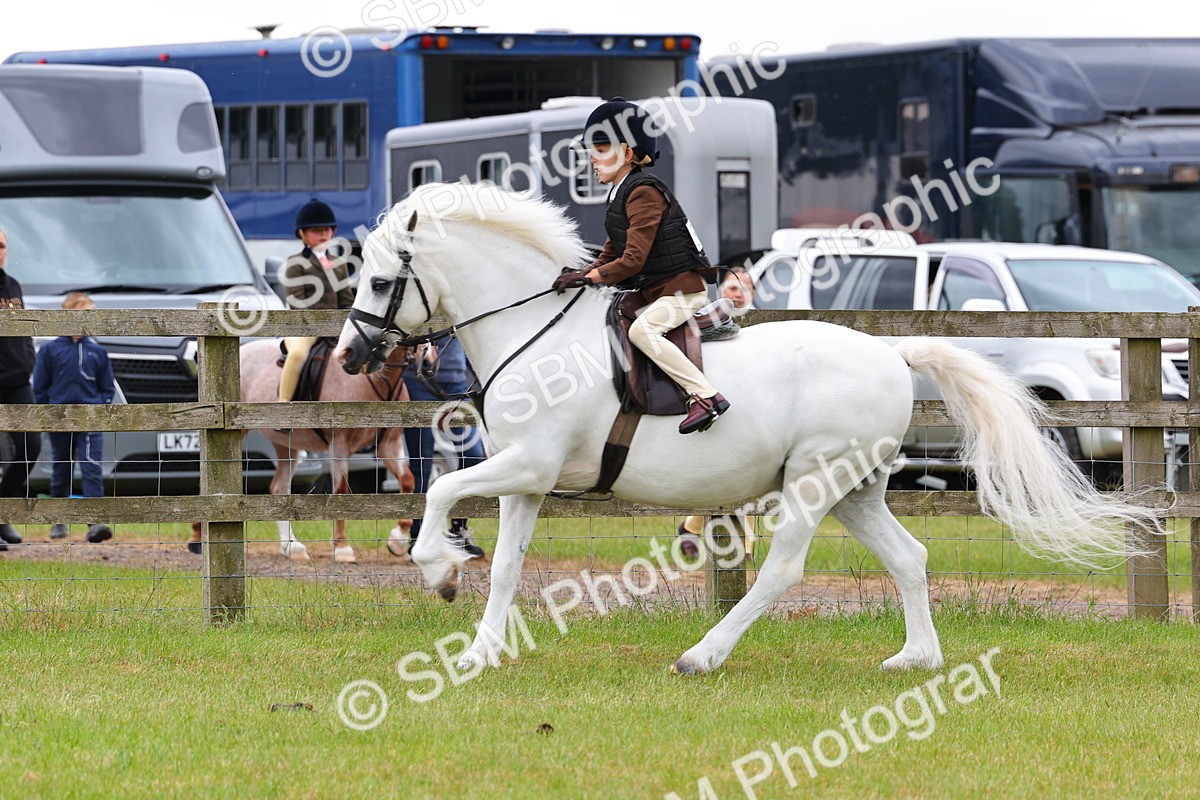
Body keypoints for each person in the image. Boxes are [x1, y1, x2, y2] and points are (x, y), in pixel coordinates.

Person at [552, 97, 729, 435]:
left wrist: (592, 277)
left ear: (627, 154)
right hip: (659, 291)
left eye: (600, 149)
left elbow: (633, 260)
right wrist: (581, 274)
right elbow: (612, 251)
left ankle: (705, 397)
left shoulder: (643, 192)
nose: (592, 157)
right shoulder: (621, 193)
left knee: (642, 332)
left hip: (681, 292)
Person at [32, 292, 116, 543]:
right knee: (61, 465)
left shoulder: (97, 351)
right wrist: (49, 412)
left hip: (90, 417)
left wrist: (100, 407)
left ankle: (95, 521)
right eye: (82, 314)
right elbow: (40, 386)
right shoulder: (50, 350)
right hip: (59, 417)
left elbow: (107, 386)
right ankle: (59, 519)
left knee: (91, 465)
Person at [402, 338, 487, 559]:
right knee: (422, 462)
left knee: (474, 455)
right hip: (418, 382)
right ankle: (418, 537)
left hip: (456, 383)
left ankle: (459, 530)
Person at [278, 198, 355, 405]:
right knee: (297, 354)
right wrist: (323, 325)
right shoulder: (296, 263)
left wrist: (346, 326)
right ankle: (282, 405)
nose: (323, 235)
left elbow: (347, 302)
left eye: (327, 230)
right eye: (316, 230)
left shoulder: (339, 265)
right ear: (302, 234)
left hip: (335, 329)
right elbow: (297, 302)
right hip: (305, 328)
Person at [0, 226, 42, 549]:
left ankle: (3, 511)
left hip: (18, 383)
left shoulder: (12, 285)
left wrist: (28, 356)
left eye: (2, 246)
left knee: (31, 447)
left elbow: (25, 327)